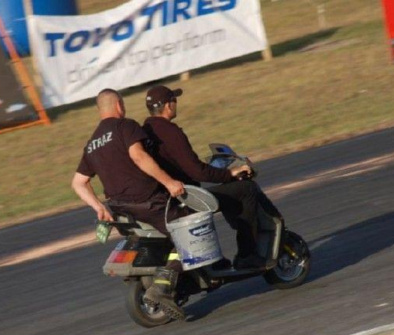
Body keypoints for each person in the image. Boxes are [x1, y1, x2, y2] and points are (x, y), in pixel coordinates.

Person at [71, 88, 188, 320]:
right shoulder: (125, 126)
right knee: (190, 234)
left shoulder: (92, 144)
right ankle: (162, 287)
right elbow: (139, 157)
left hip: (119, 208)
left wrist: (99, 207)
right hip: (147, 201)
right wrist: (170, 182)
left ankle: (169, 277)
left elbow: (78, 183)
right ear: (119, 106)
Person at [142, 85, 275, 269]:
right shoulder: (170, 132)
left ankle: (216, 259)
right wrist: (229, 173)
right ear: (168, 106)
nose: (176, 104)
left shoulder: (145, 132)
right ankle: (247, 254)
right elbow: (197, 171)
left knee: (224, 192)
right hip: (185, 197)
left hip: (164, 199)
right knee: (246, 189)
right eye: (175, 100)